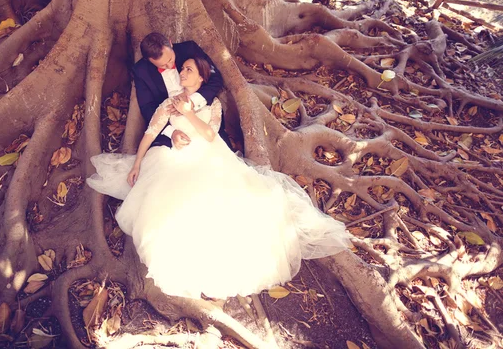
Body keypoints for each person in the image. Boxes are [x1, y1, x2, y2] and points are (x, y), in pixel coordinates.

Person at [87, 56, 351, 300]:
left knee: (235, 198)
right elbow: (149, 132)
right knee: (169, 198)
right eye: (182, 69)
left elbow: (211, 135)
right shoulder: (169, 103)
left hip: (211, 154)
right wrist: (137, 163)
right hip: (176, 157)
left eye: (188, 69)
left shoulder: (211, 104)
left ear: (201, 78)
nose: (182, 72)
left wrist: (188, 112)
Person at [132, 32, 231, 149]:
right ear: (149, 60)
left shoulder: (189, 49)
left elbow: (215, 78)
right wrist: (171, 132)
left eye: (170, 59)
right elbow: (147, 107)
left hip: (204, 118)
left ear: (170, 43)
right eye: (162, 65)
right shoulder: (141, 70)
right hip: (170, 126)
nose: (169, 66)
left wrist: (192, 102)